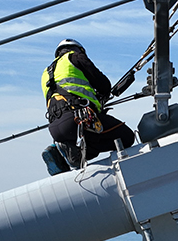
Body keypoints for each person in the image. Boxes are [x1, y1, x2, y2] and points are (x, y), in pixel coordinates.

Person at [40, 39, 135, 175]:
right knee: (126, 137)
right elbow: (103, 85)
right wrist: (101, 95)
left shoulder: (46, 73)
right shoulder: (75, 57)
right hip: (77, 120)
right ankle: (71, 155)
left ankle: (62, 154)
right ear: (79, 49)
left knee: (89, 142)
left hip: (56, 128)